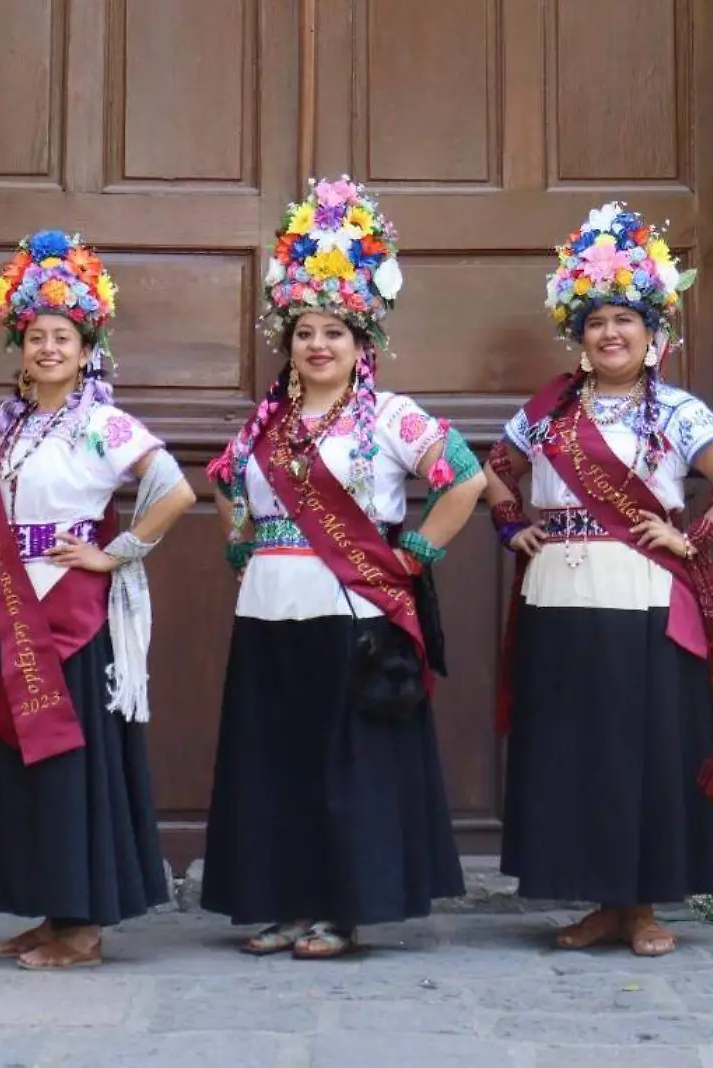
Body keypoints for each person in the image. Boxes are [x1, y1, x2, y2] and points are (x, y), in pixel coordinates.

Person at [199, 176, 486, 960]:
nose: (317, 345)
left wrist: (417, 549)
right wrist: (240, 541)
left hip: (351, 617)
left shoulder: (392, 418)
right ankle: (284, 904)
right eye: (303, 333)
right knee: (275, 767)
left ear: (362, 345)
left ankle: (340, 910)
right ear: (287, 345)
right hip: (267, 614)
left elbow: (466, 478)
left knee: (341, 770)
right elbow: (220, 481)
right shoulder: (266, 429)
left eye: (334, 332)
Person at [482, 202, 713, 957]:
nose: (610, 334)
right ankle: (598, 902)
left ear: (652, 334)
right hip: (559, 601)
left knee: (641, 752)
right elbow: (489, 472)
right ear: (578, 335)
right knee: (572, 750)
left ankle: (641, 907)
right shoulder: (544, 416)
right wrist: (513, 523)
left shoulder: (676, 411)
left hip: (642, 602)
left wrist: (691, 535)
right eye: (597, 321)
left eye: (625, 321)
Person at [0, 229, 196, 970]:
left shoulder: (102, 424)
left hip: (72, 620)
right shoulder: (16, 427)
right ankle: (50, 909)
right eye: (35, 336)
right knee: (21, 764)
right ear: (20, 349)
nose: (48, 348)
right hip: (14, 610)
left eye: (62, 337)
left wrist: (114, 553)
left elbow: (174, 489)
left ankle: (84, 927)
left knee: (69, 767)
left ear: (88, 349)